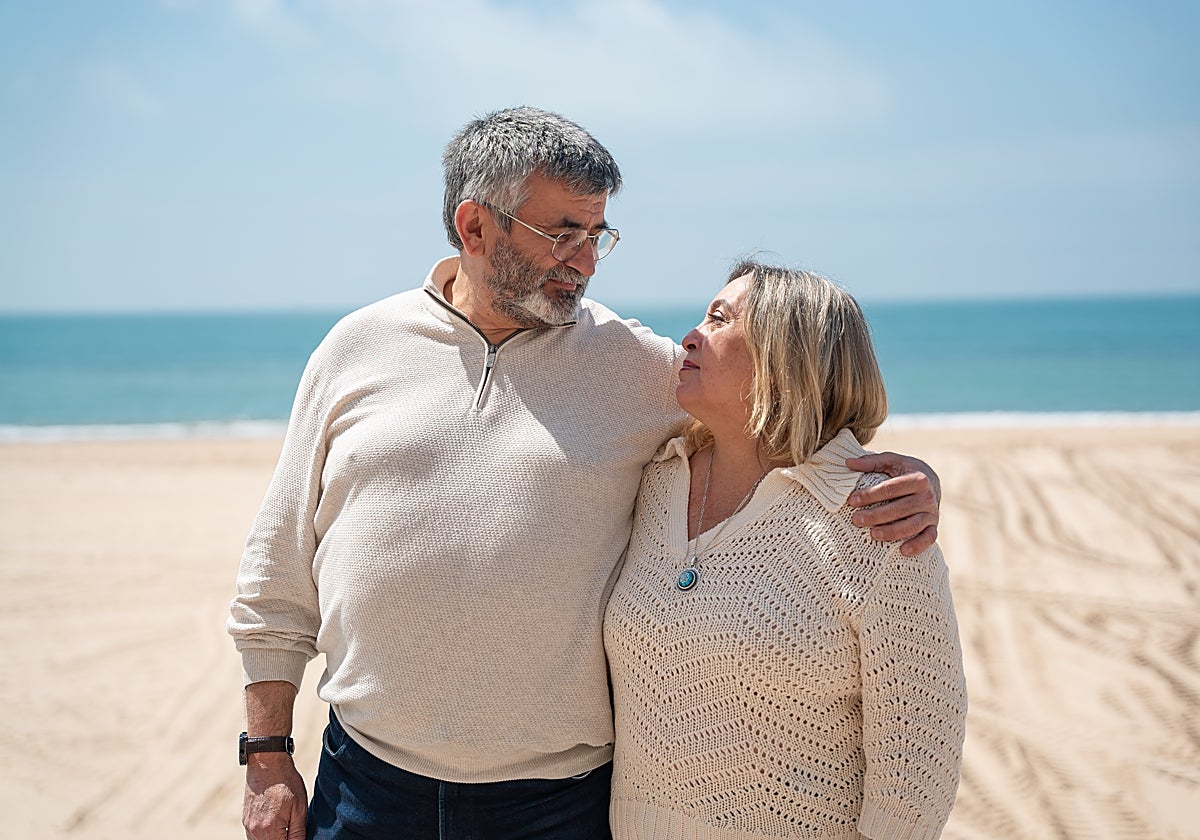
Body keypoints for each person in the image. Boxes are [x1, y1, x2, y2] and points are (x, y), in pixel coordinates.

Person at [228, 108, 943, 840]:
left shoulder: (640, 367)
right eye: (561, 232)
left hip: (559, 808)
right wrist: (267, 756)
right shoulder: (355, 349)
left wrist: (901, 477)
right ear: (475, 228)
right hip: (365, 790)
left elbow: (775, 412)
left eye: (597, 233)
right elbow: (276, 576)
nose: (586, 258)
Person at [604, 260, 968, 839]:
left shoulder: (880, 519)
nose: (689, 336)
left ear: (784, 362)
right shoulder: (655, 476)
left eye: (719, 320)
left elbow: (918, 766)